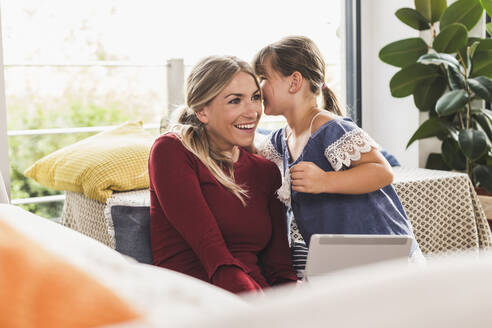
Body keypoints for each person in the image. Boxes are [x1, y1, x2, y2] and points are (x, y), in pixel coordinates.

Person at [252, 36, 424, 276]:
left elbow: (382, 171)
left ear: (294, 82)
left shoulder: (329, 128)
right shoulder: (280, 140)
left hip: (381, 253)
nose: (256, 88)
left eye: (262, 78)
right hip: (340, 260)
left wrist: (325, 181)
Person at [148, 55, 298, 294]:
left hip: (255, 302)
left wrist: (300, 305)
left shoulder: (266, 172)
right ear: (201, 111)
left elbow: (279, 269)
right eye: (235, 101)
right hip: (196, 299)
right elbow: (216, 259)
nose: (252, 112)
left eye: (255, 98)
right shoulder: (171, 151)